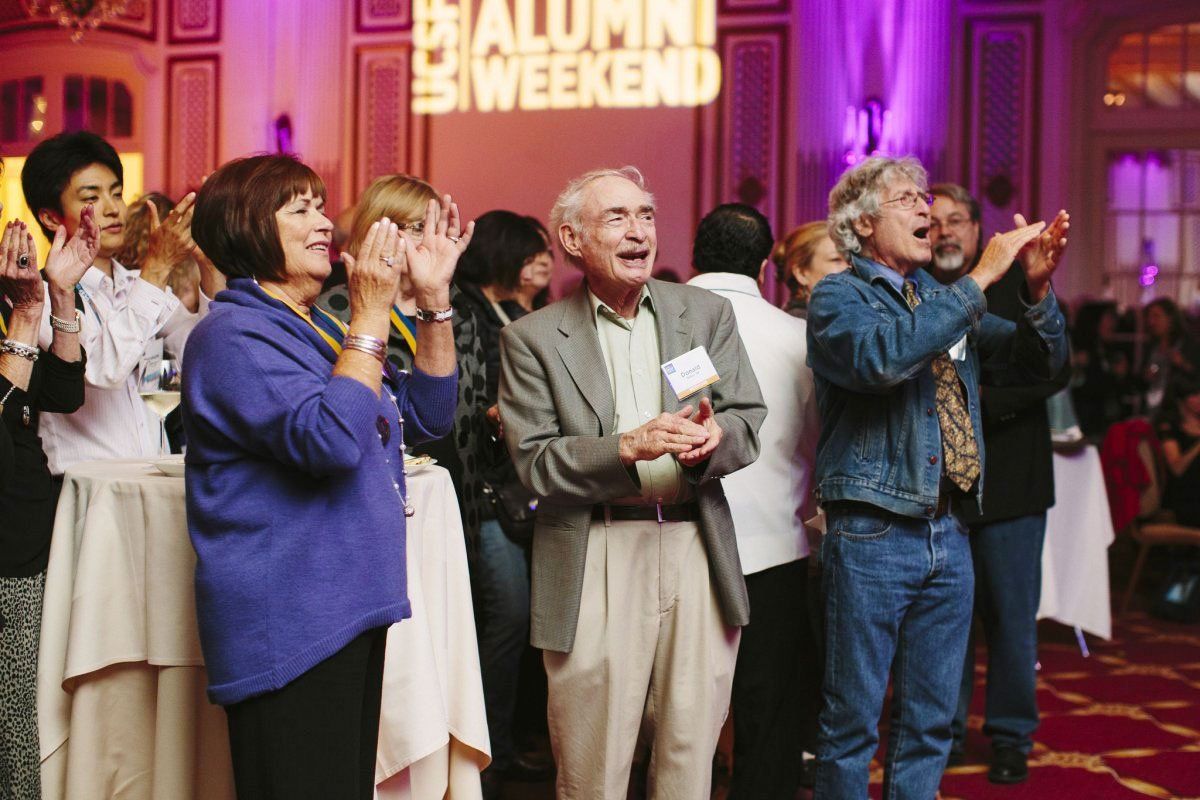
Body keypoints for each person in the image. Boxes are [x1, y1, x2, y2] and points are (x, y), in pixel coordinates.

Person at [182, 154, 468, 799]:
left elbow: (426, 418)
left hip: (345, 602)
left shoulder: (313, 328)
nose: (324, 222)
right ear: (248, 226)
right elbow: (332, 443)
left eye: (320, 204)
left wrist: (434, 303)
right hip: (290, 615)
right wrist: (370, 314)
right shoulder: (233, 335)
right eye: (299, 208)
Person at [498, 166, 767, 798]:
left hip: (695, 544)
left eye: (645, 215)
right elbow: (536, 461)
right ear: (572, 239)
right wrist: (624, 448)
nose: (638, 230)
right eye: (616, 217)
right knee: (594, 755)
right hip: (596, 546)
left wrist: (713, 441)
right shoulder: (532, 338)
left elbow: (746, 417)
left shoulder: (702, 313)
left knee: (689, 747)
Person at [806, 156, 1069, 799]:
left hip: (949, 529)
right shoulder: (840, 296)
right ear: (864, 223)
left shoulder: (938, 300)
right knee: (851, 727)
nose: (927, 210)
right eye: (908, 200)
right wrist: (979, 280)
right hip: (872, 531)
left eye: (926, 198)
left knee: (928, 727)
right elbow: (881, 358)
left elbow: (1041, 362)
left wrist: (1035, 292)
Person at [928, 182, 1071, 784]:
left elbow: (1055, 371)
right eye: (931, 223)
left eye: (955, 220)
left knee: (1013, 622)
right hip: (944, 493)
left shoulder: (1020, 282)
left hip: (1013, 484)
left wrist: (973, 400)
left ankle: (1012, 736)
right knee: (947, 621)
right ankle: (949, 732)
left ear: (978, 229)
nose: (943, 233)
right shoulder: (923, 295)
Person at [687, 203, 823, 798]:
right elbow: (819, 444)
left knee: (676, 713)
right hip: (776, 545)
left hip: (679, 539)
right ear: (767, 265)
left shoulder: (656, 325)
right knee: (769, 716)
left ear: (694, 255)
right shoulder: (800, 337)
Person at [451, 209, 559, 793]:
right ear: (500, 252)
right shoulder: (467, 310)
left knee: (525, 625)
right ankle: (484, 754)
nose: (544, 260)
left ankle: (508, 742)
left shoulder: (529, 315)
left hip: (527, 490)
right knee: (507, 618)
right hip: (486, 490)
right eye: (531, 250)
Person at [21, 131, 203, 474]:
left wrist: (212, 267)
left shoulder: (140, 284)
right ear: (50, 217)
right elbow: (101, 370)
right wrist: (158, 266)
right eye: (92, 196)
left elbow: (199, 351)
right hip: (86, 488)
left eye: (116, 192)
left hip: (151, 478)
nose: (112, 207)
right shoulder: (40, 295)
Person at [0, 196, 95, 798]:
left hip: (27, 519)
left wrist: (58, 298)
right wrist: (24, 319)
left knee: (24, 715)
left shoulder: (5, 285)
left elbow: (60, 393)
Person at [770, 220, 848, 317]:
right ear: (801, 273)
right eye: (836, 259)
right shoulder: (802, 325)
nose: (850, 267)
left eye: (851, 259)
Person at [1154, 374, 1200, 527]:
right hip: (1185, 497)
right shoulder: (1168, 427)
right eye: (1194, 395)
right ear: (1180, 398)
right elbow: (1177, 468)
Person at [1142, 297, 1199, 415]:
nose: (1151, 322)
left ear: (1171, 319)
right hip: (1152, 409)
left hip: (1178, 413)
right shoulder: (1151, 347)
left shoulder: (1188, 345)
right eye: (1149, 317)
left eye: (1156, 316)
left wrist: (1183, 364)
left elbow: (1196, 376)